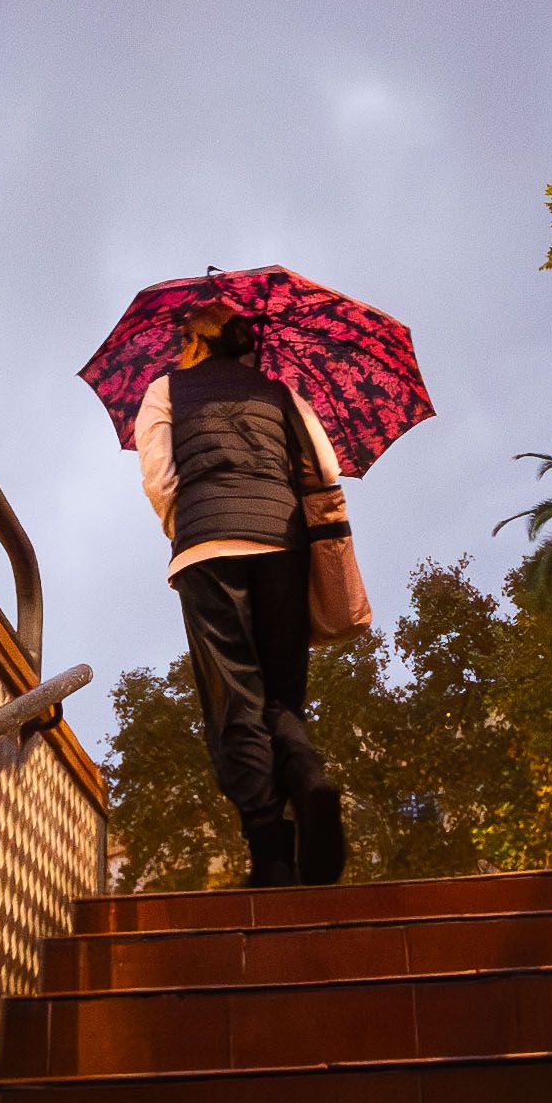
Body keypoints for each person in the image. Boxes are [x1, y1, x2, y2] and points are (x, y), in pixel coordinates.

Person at [134, 305, 347, 887]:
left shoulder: (164, 390)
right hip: (284, 544)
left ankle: (272, 853)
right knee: (280, 694)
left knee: (236, 701)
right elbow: (325, 465)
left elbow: (158, 476)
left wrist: (187, 520)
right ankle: (307, 774)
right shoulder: (280, 391)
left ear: (191, 339)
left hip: (208, 551)